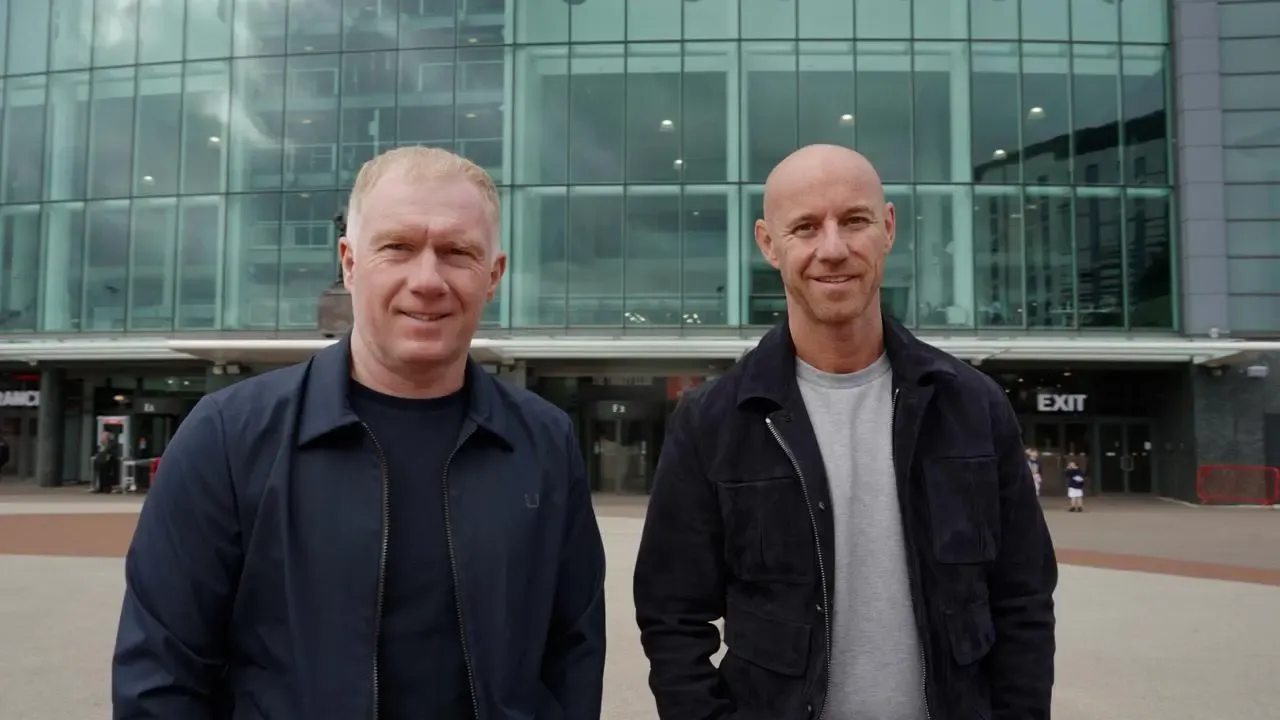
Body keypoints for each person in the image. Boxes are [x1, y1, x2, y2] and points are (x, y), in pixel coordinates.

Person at [113, 146, 608, 720]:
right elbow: (162, 672)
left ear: (493, 275)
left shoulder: (544, 440)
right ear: (349, 262)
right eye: (398, 247)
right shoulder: (226, 437)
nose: (428, 280)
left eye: (457, 252)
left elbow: (574, 648)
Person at [634, 144, 1057, 720]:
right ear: (768, 245)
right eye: (805, 227)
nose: (832, 250)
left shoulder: (973, 406)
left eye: (854, 221)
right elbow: (671, 617)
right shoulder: (711, 421)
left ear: (887, 228)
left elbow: (1022, 601)